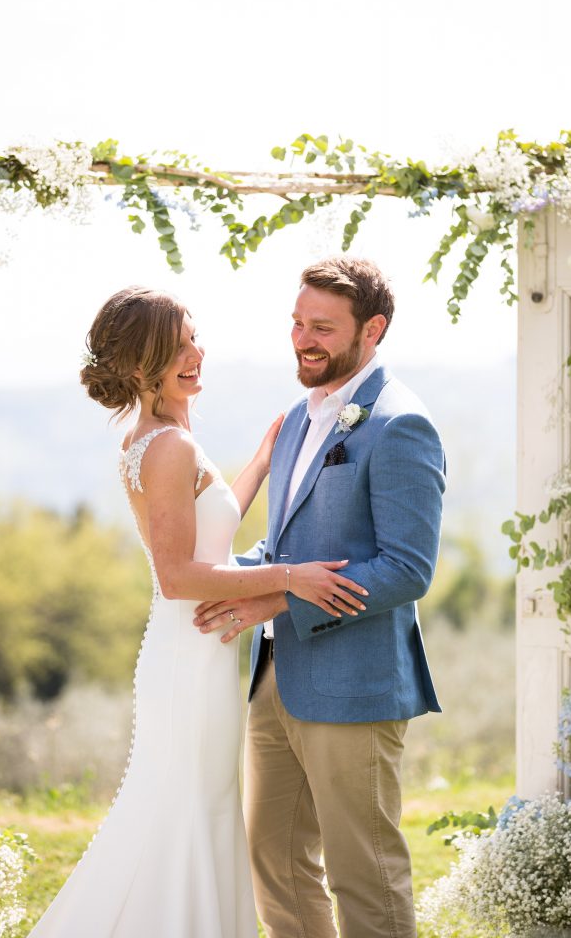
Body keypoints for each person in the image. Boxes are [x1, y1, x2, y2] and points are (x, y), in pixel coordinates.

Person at [27, 285, 367, 938]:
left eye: (192, 337)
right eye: (176, 346)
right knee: (187, 811)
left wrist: (263, 461)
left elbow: (211, 536)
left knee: (202, 808)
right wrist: (291, 577)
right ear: (137, 366)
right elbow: (179, 575)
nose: (195, 353)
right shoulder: (166, 447)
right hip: (187, 657)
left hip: (198, 654)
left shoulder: (168, 436)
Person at [194, 257, 446, 938]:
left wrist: (278, 601)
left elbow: (406, 567)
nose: (303, 339)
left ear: (373, 331)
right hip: (274, 678)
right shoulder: (295, 419)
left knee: (362, 871)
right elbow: (283, 552)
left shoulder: (400, 425)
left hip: (353, 682)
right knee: (272, 857)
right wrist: (218, 578)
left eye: (323, 328)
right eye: (298, 323)